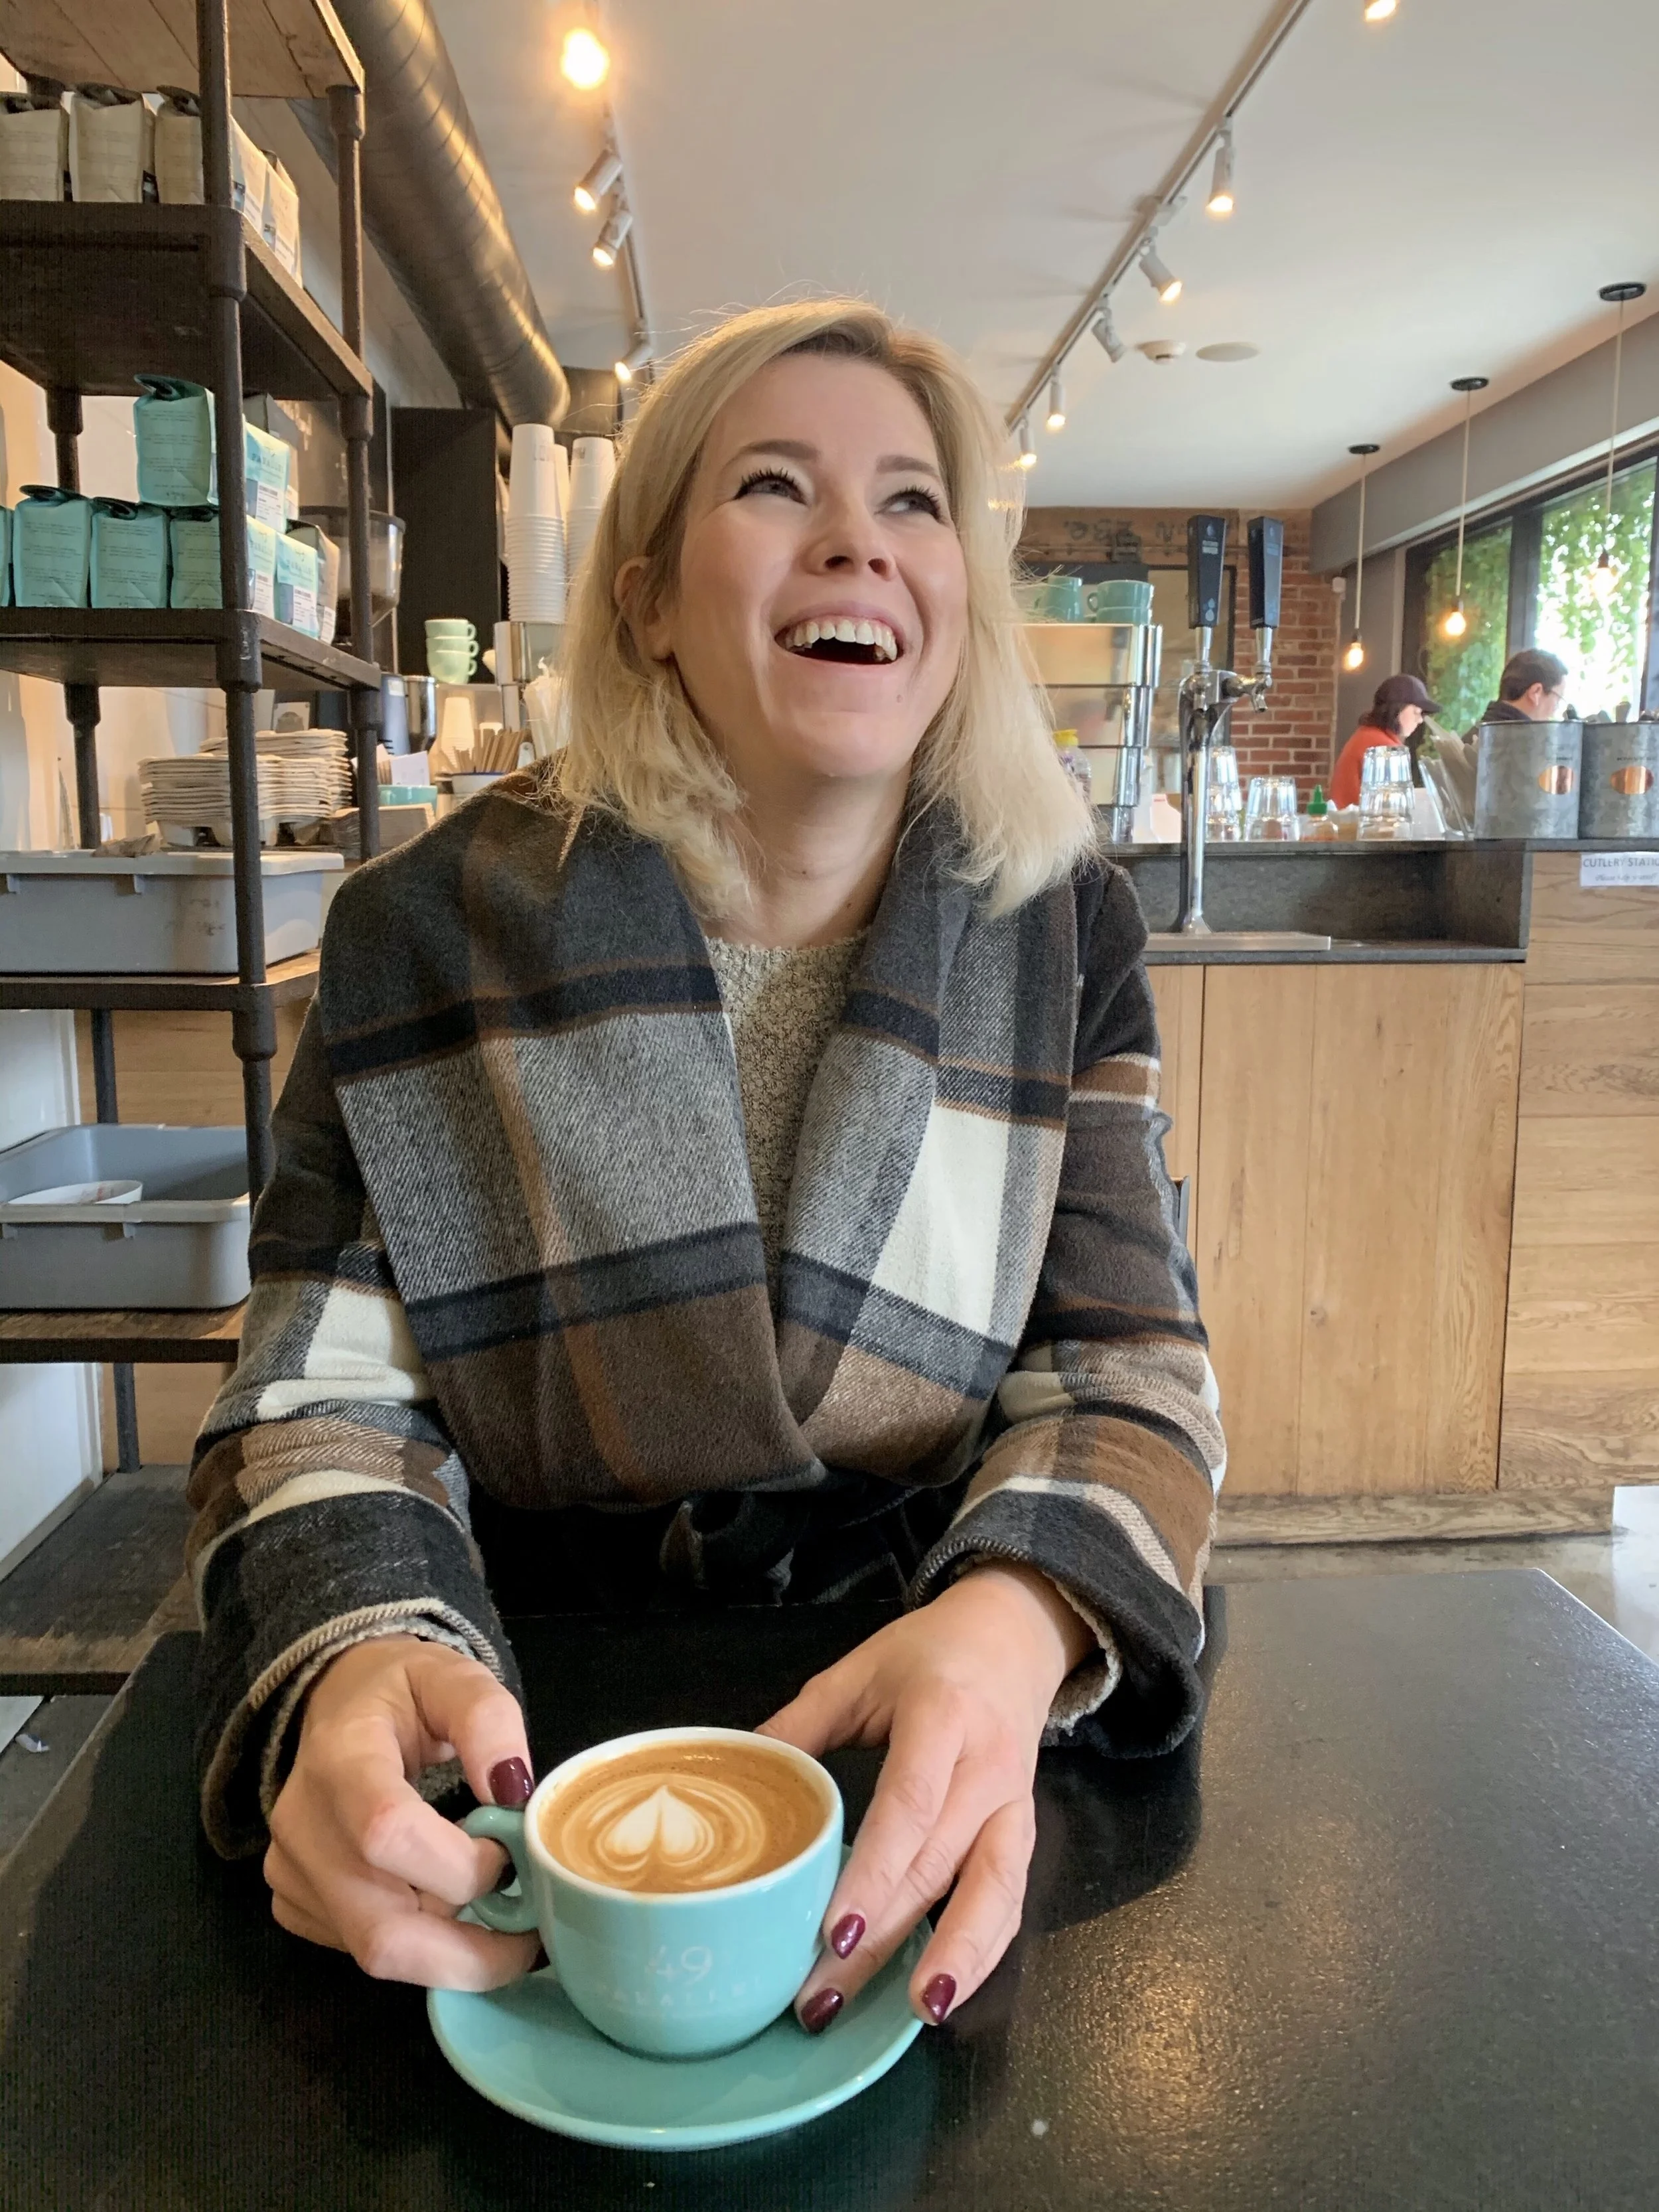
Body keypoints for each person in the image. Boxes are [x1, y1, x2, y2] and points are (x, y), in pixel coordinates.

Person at [186, 300, 1222, 2038]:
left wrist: (1020, 1613)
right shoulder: (419, 932)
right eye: (774, 484)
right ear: (647, 600)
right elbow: (316, 1402)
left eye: (911, 501)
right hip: (514, 1730)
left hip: (917, 1728)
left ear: (959, 599)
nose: (857, 542)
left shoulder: (1059, 933)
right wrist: (352, 1645)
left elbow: (1127, 1367)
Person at [1329, 672, 1438, 810]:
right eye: (1416, 712)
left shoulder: (1367, 735)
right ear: (1396, 709)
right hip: (1361, 823)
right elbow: (1393, 810)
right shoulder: (1384, 748)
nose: (1420, 720)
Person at [1465, 648, 1569, 733]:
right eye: (1558, 699)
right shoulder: (1522, 746)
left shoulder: (1476, 735)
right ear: (1536, 692)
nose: (1555, 710)